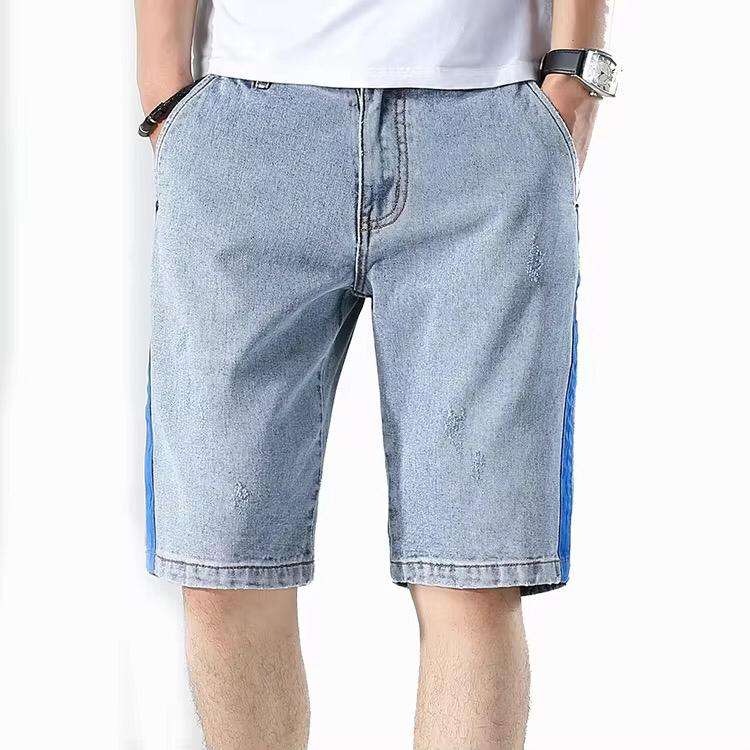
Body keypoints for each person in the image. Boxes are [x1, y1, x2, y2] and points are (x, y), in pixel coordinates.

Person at [135, 1, 617, 747]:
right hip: (246, 133)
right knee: (223, 567)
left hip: (487, 122)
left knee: (473, 575)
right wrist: (164, 94)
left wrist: (576, 75)